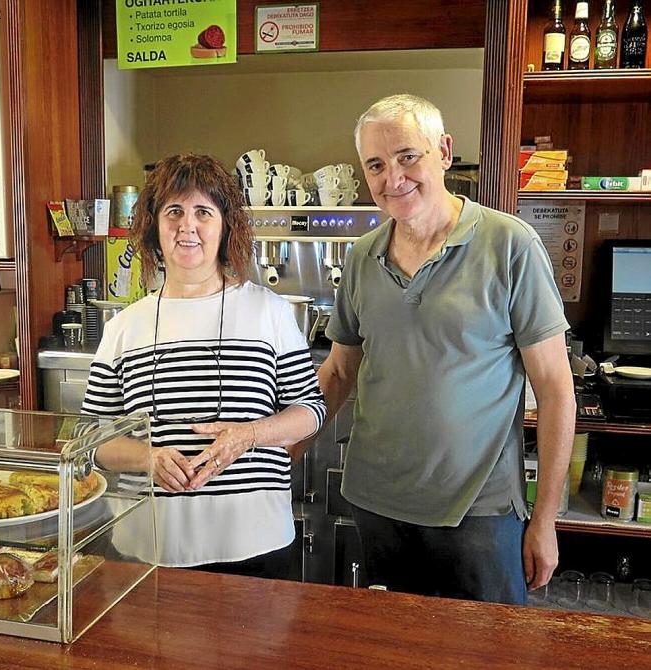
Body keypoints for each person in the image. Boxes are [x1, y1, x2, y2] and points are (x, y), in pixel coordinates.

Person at [303, 94, 575, 604]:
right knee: (394, 651)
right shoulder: (363, 256)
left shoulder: (509, 245)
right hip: (377, 504)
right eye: (376, 165)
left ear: (444, 152)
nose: (393, 178)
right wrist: (277, 452)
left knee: (487, 653)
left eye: (409, 156)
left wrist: (545, 520)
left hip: (479, 511)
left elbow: (557, 391)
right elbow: (339, 373)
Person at [81, 153, 325, 578]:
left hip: (257, 543)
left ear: (225, 225)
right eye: (173, 211)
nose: (186, 226)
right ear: (154, 227)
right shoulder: (124, 327)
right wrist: (148, 458)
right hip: (150, 549)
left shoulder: (269, 311)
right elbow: (92, 438)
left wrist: (250, 435)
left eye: (203, 212)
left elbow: (311, 411)